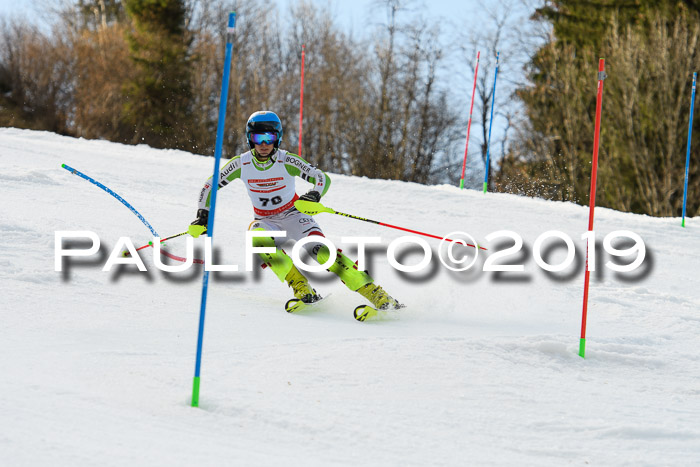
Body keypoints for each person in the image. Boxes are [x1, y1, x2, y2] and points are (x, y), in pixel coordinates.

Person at [187, 110, 401, 311]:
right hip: (266, 221)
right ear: (249, 139)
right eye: (257, 138)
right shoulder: (241, 164)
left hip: (295, 216)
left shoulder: (286, 160)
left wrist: (314, 195)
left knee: (322, 252)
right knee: (257, 237)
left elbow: (320, 178)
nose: (263, 145)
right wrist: (202, 215)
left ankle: (377, 295)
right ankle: (302, 288)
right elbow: (209, 185)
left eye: (268, 139)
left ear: (277, 138)